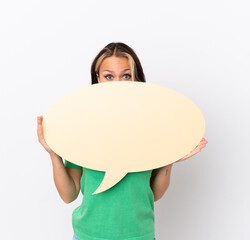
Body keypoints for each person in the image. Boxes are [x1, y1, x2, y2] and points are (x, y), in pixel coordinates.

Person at [37, 42, 208, 240]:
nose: (117, 82)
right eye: (109, 76)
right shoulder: (83, 127)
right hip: (88, 236)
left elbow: (155, 194)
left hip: (139, 235)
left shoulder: (152, 128)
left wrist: (170, 155)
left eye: (126, 75)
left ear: (136, 78)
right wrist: (53, 154)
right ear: (98, 79)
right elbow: (69, 195)